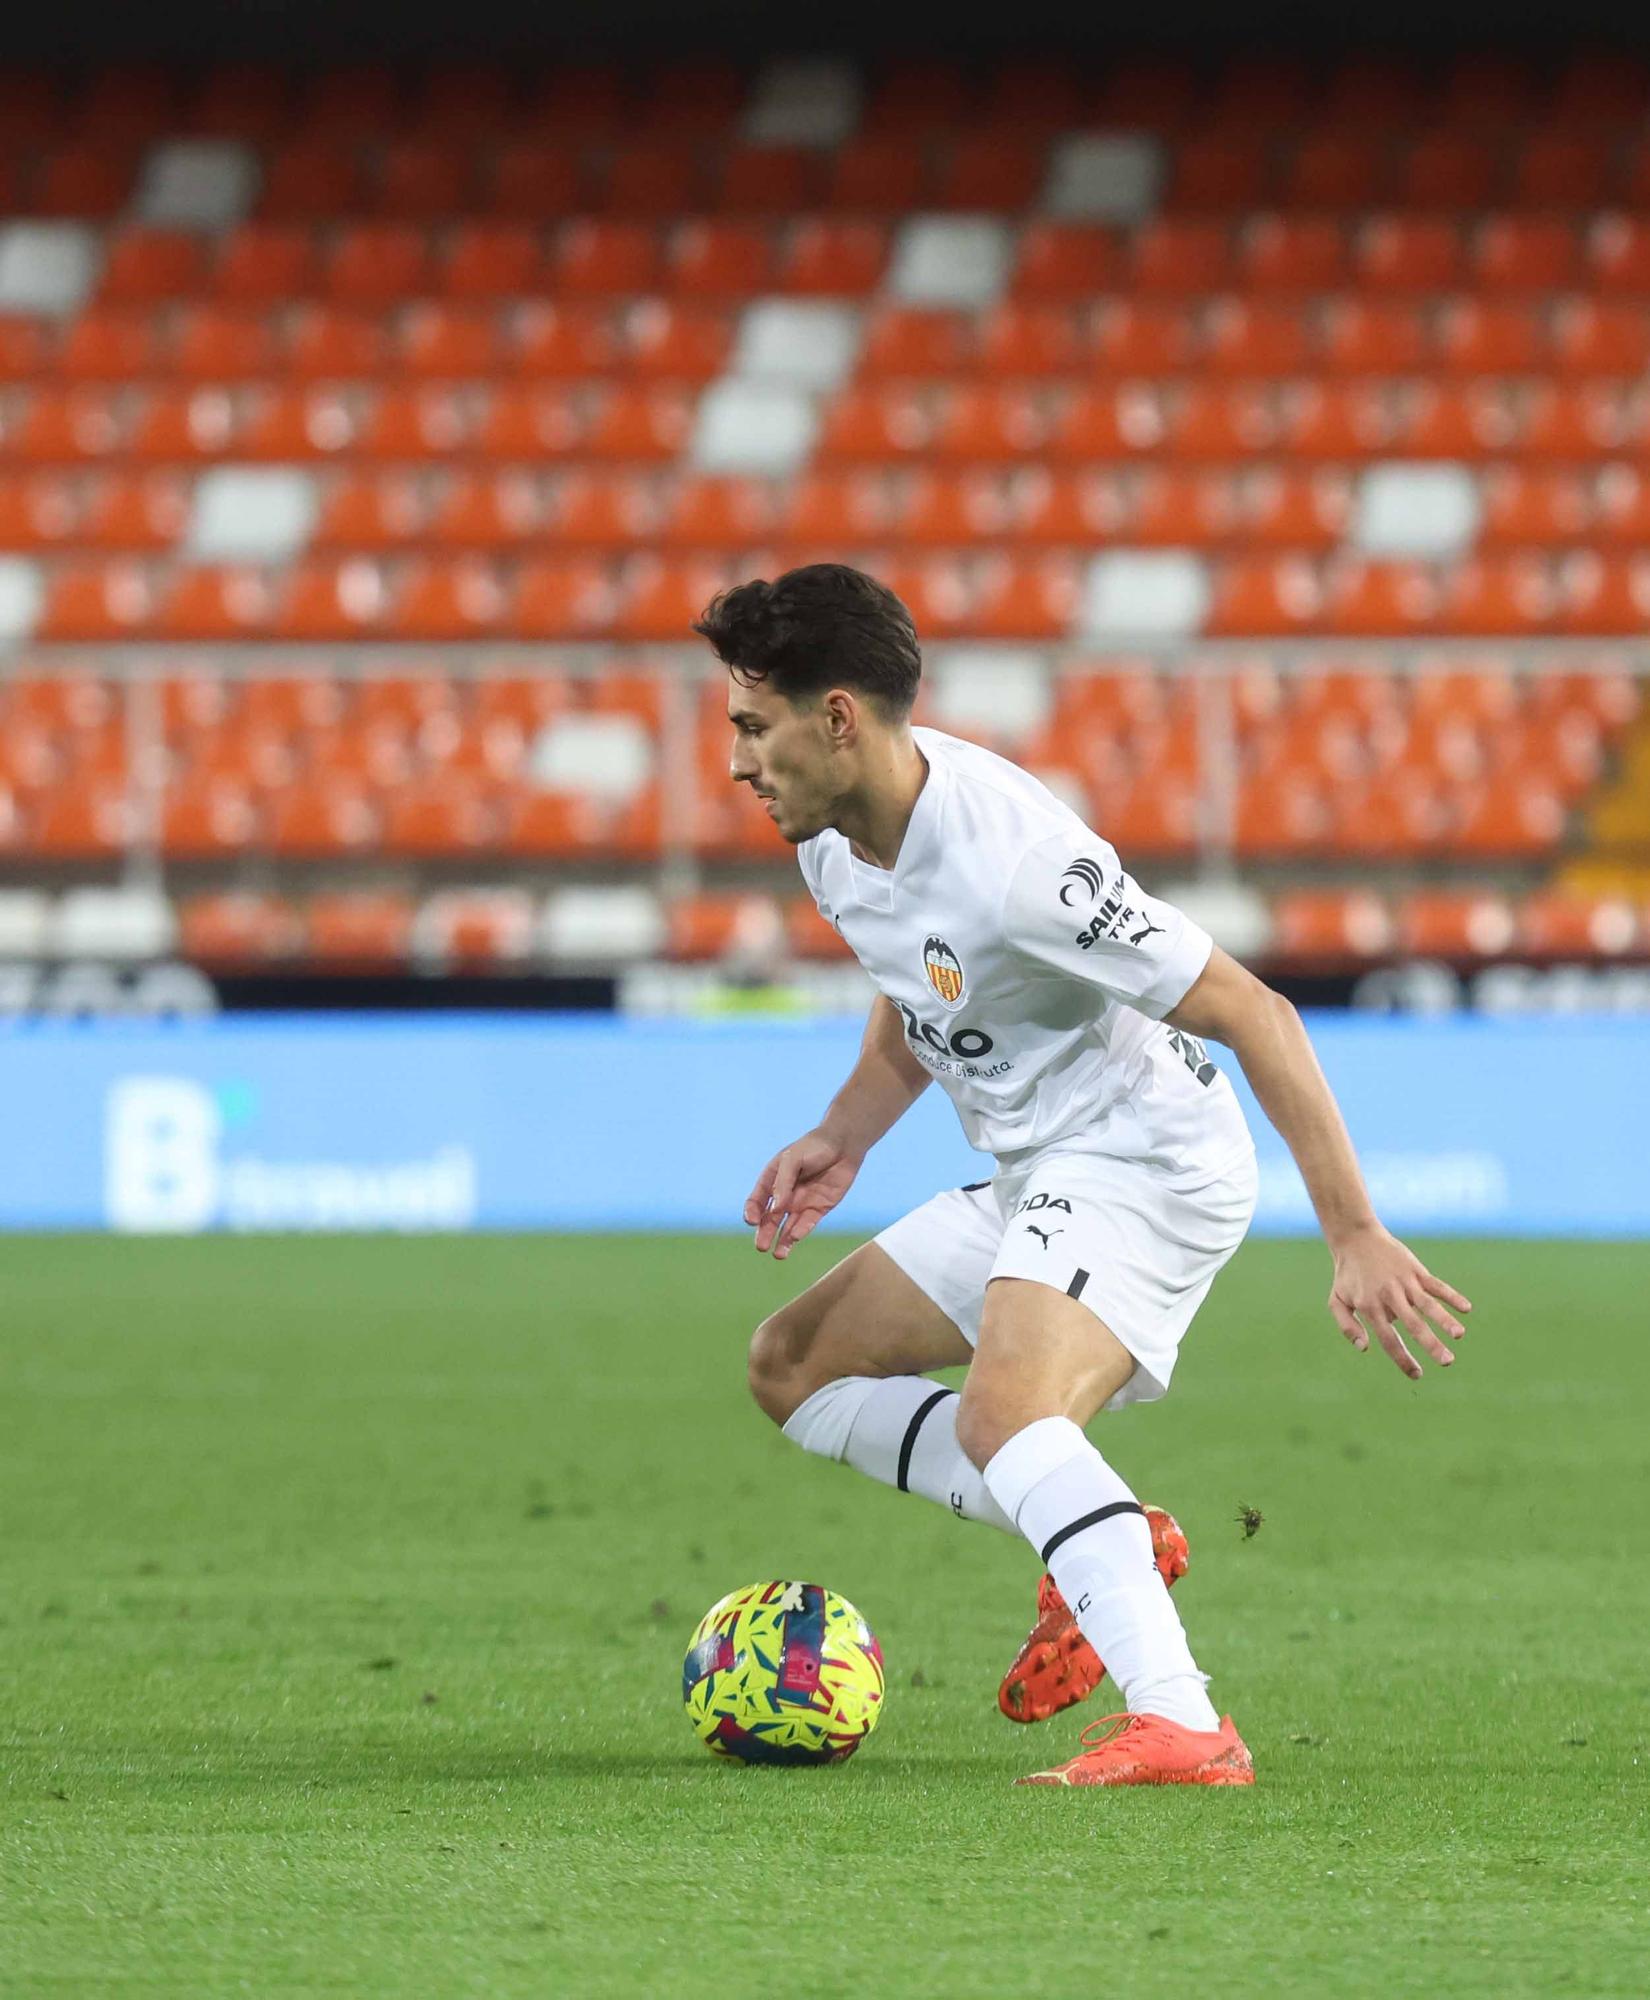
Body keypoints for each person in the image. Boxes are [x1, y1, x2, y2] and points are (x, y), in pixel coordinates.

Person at [693, 564, 1472, 1789]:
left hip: (1146, 1157)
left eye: (751, 724)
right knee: (791, 1365)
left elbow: (1256, 1011)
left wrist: (1355, 1229)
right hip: (1039, 1162)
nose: (736, 759)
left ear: (836, 717)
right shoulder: (836, 843)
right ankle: (1099, 1530)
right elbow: (917, 994)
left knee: (1010, 1413)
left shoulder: (1021, 865)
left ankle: (1183, 1720)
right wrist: (849, 1127)